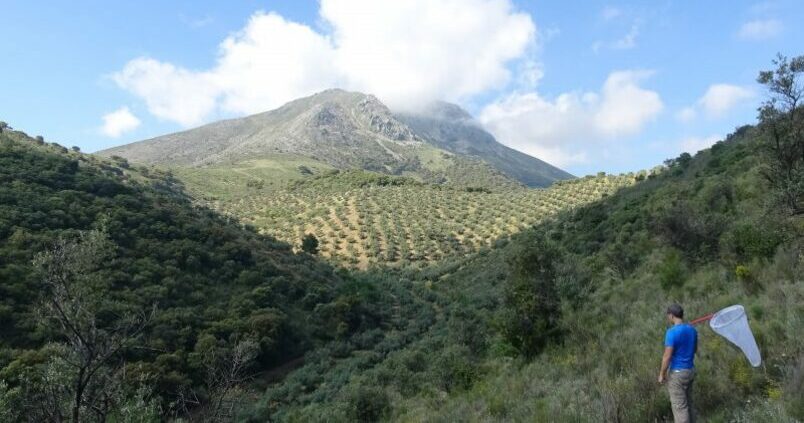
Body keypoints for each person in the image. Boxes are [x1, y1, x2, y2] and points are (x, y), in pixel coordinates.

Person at [658, 303, 698, 423]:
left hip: (677, 374)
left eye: (668, 315)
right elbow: (694, 350)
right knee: (689, 404)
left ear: (671, 316)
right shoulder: (692, 330)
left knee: (680, 408)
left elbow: (667, 356)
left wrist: (662, 374)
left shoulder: (671, 333)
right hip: (690, 370)